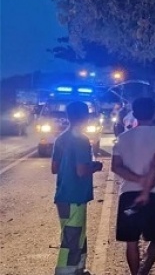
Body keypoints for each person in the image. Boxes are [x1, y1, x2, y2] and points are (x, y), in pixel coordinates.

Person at [111, 97, 155, 275]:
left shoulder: (122, 138)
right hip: (153, 194)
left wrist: (137, 179)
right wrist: (146, 185)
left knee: (131, 241)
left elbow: (116, 167)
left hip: (128, 194)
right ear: (154, 113)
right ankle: (143, 272)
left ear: (134, 114)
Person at [51, 101, 103, 275]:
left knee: (77, 234)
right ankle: (65, 272)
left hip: (63, 196)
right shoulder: (81, 140)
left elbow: (54, 168)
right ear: (85, 117)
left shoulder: (61, 138)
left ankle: (79, 269)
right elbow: (81, 171)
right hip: (75, 197)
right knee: (72, 238)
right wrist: (95, 166)